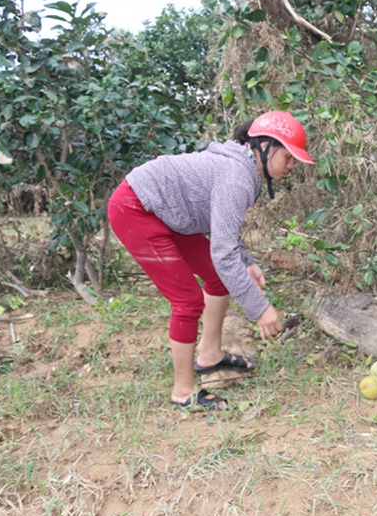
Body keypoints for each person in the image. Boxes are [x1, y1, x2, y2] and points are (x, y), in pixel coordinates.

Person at [107, 111, 314, 411]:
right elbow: (222, 253)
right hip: (137, 208)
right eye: (289, 157)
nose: (292, 165)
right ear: (266, 147)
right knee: (188, 300)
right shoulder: (238, 177)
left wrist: (247, 261)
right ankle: (183, 392)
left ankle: (210, 355)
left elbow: (222, 230)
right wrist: (260, 309)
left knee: (217, 278)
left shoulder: (244, 168)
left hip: (168, 213)